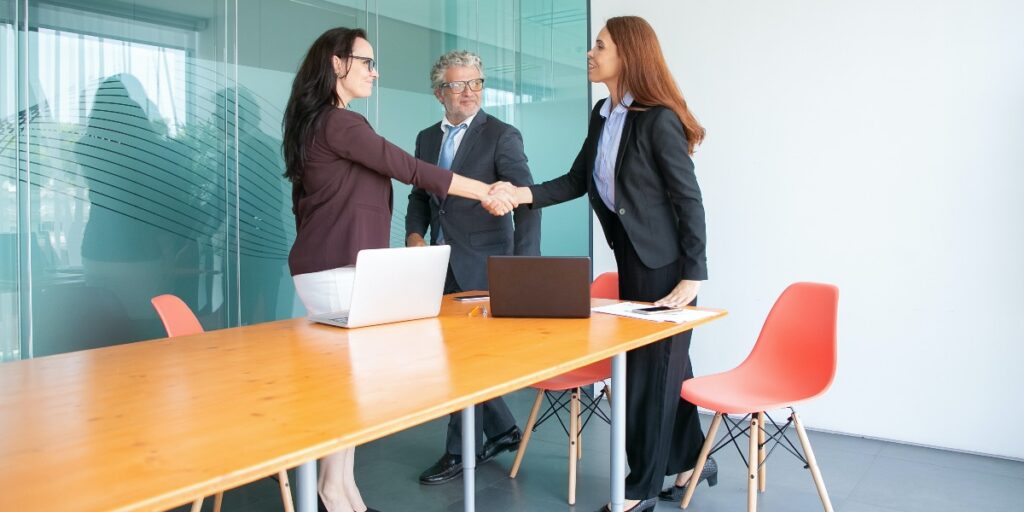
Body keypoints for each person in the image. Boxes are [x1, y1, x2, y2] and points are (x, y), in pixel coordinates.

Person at [489, 16, 717, 512]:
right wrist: (519, 194)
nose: (590, 54)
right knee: (663, 372)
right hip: (632, 260)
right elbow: (577, 179)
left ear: (628, 55)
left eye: (600, 46)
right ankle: (690, 459)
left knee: (647, 378)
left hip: (667, 267)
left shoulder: (657, 118)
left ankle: (638, 490)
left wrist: (693, 273)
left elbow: (689, 199)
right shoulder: (603, 113)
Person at [282, 27, 515, 512]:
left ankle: (343, 492)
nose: (375, 71)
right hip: (337, 270)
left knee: (344, 390)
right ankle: (332, 492)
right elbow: (410, 169)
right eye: (366, 62)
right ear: (336, 64)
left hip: (331, 266)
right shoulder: (340, 123)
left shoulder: (321, 122)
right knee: (344, 392)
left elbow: (304, 204)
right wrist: (488, 190)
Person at [405, 50, 541, 485]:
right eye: (459, 84)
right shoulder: (427, 139)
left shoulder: (502, 135)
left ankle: (458, 452)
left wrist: (523, 269)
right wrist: (414, 236)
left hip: (485, 263)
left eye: (476, 83)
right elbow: (419, 196)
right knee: (450, 357)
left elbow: (527, 200)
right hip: (439, 264)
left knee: (462, 362)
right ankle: (501, 428)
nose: (470, 92)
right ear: (438, 92)